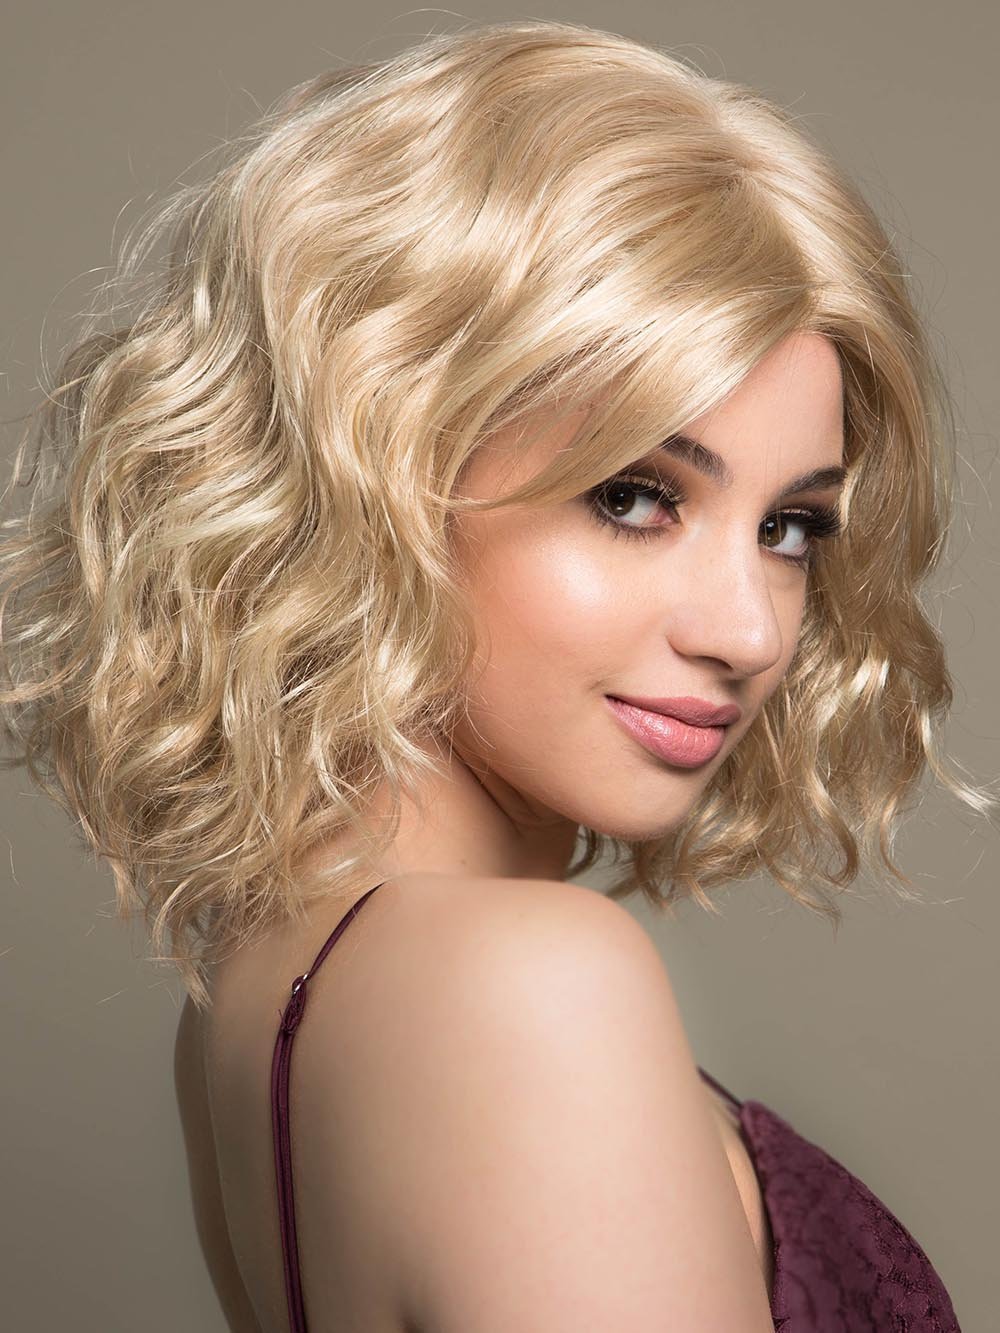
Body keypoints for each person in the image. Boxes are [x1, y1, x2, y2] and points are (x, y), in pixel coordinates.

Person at [0, 18, 992, 1332]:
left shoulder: (267, 984)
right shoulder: (529, 984)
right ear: (385, 470)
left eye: (791, 526)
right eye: (635, 496)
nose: (751, 631)